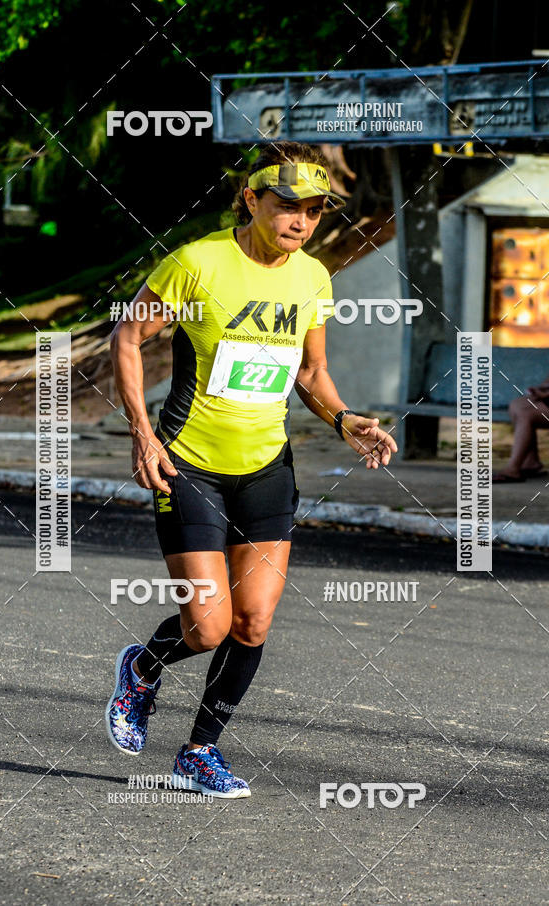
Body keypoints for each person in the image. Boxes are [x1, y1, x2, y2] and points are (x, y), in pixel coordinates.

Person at [105, 141, 398, 799]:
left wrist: (344, 418)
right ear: (252, 200)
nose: (300, 220)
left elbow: (311, 372)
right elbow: (126, 335)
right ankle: (143, 666)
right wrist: (142, 435)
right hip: (190, 465)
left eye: (314, 209)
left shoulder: (312, 277)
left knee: (253, 623)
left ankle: (199, 751)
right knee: (206, 627)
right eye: (287, 205)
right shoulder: (198, 263)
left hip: (267, 467)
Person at [493, 293, 549, 483]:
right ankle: (531, 463)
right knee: (517, 405)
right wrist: (542, 388)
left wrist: (546, 393)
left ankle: (513, 469)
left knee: (526, 414)